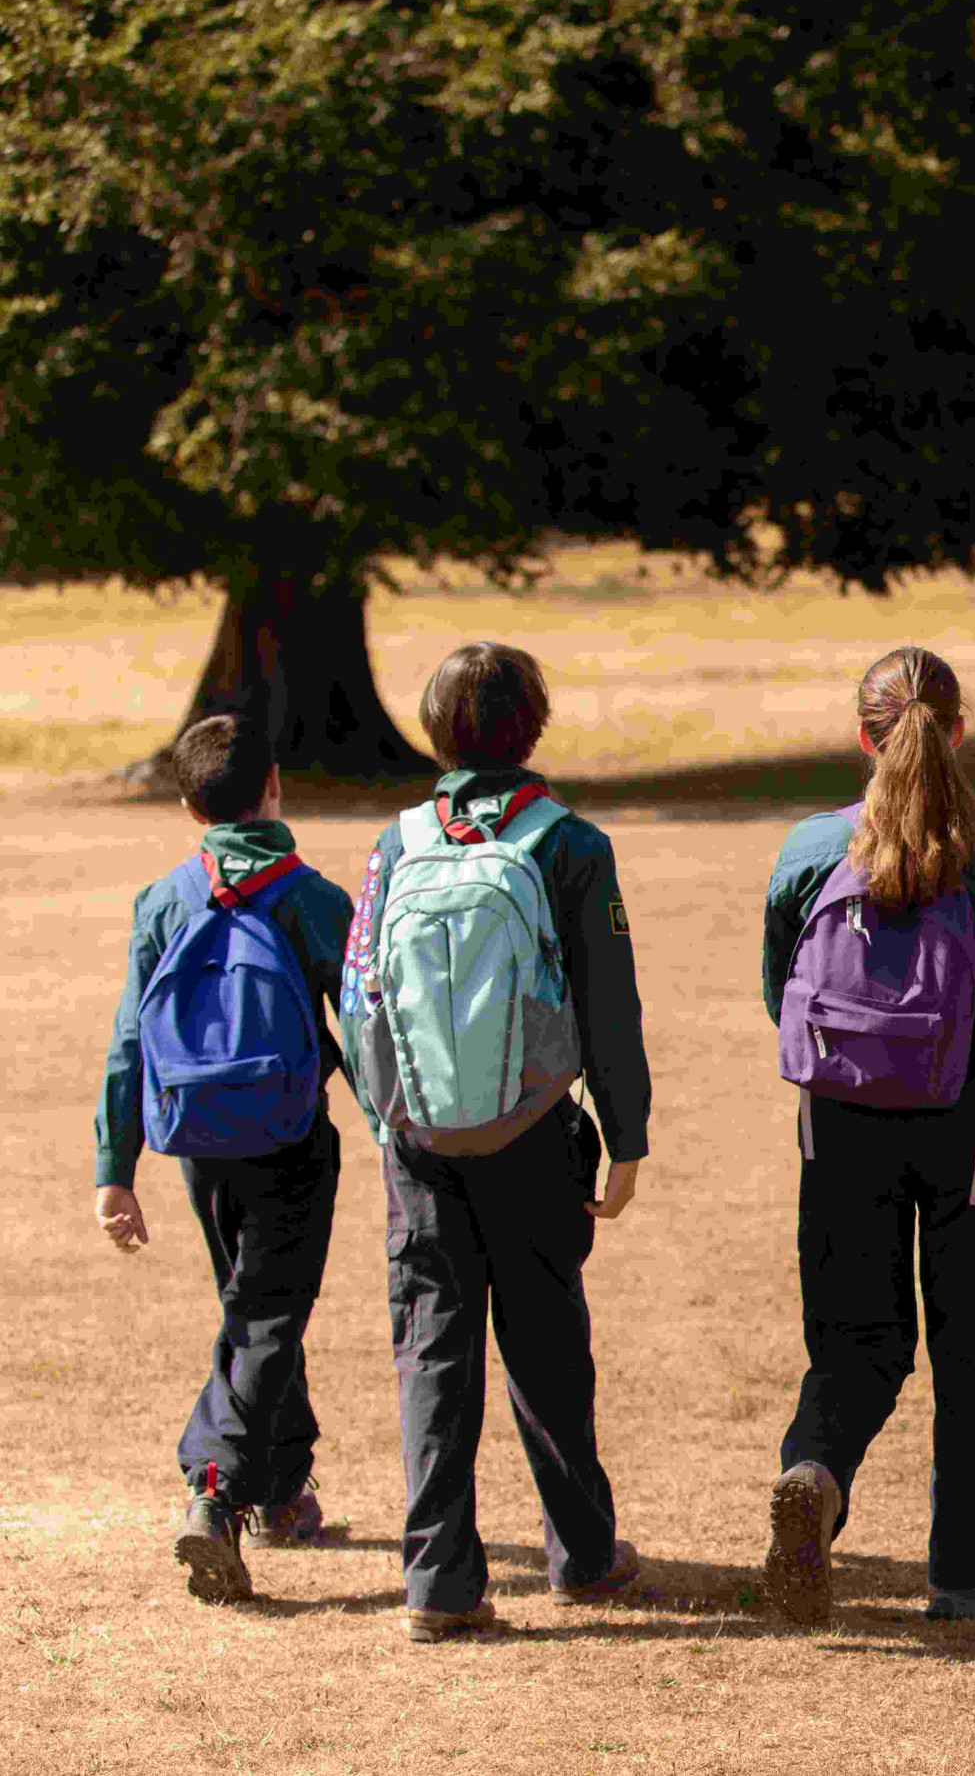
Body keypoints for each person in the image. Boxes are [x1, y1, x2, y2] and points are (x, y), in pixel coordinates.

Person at [344, 642, 650, 1641]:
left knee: (433, 1347)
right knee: (548, 1342)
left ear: (436, 729)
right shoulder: (570, 844)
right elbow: (609, 1002)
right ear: (535, 723)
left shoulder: (393, 845)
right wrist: (627, 1132)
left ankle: (438, 1577)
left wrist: (392, 1107)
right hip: (530, 1134)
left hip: (419, 1136)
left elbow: (358, 999)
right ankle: (584, 1556)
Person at [758, 647, 975, 1628]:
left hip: (835, 1117)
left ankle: (816, 1474)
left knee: (852, 1339)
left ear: (862, 735)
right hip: (959, 1119)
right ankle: (963, 1577)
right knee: (974, 1348)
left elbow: (779, 998)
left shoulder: (808, 848)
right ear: (957, 731)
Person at [92, 713, 353, 1603]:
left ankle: (282, 1490)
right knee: (269, 1313)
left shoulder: (164, 899)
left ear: (186, 805)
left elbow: (131, 1040)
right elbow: (364, 1033)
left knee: (256, 1308)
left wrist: (113, 1169)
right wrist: (408, 1133)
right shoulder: (313, 897)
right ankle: (215, 1488)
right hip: (288, 1136)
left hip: (197, 1138)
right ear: (274, 786)